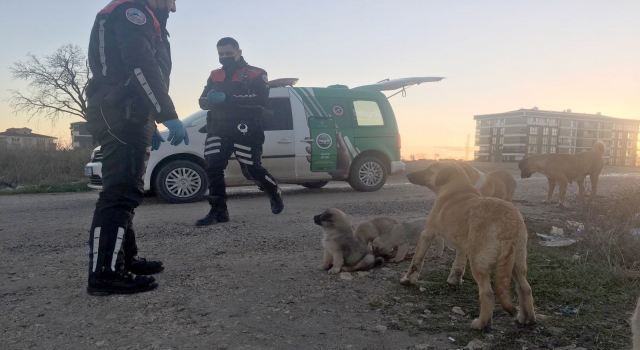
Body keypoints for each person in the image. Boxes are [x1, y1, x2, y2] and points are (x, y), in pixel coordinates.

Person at [84, 0, 188, 295]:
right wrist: (167, 114)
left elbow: (133, 73)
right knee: (119, 193)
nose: (173, 5)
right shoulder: (133, 13)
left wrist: (151, 121)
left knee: (127, 190)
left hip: (130, 111)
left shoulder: (143, 15)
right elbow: (141, 66)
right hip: (121, 112)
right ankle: (104, 273)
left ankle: (124, 260)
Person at [195, 37, 284, 226]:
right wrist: (210, 100)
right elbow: (202, 101)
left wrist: (227, 98)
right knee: (213, 167)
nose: (224, 57)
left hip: (247, 128)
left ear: (239, 52)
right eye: (221, 54)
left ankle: (273, 190)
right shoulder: (214, 74)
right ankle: (218, 211)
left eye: (229, 53)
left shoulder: (256, 73)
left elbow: (260, 99)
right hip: (218, 128)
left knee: (251, 169)